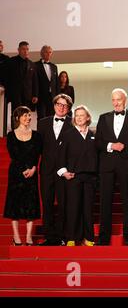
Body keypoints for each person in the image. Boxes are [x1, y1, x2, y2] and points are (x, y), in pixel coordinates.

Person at [95, 88, 128, 245]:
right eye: (114, 100)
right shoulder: (103, 118)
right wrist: (111, 145)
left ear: (125, 100)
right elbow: (98, 142)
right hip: (107, 166)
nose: (116, 103)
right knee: (105, 201)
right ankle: (104, 238)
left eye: (119, 100)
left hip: (127, 166)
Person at [57, 105, 97, 247]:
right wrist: (64, 172)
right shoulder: (68, 134)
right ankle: (71, 238)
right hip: (73, 177)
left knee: (88, 209)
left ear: (87, 118)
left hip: (90, 178)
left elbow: (97, 156)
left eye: (82, 115)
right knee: (73, 208)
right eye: (77, 115)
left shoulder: (93, 135)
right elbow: (60, 156)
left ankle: (89, 238)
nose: (79, 118)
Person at [37, 94, 73, 246]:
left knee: (64, 204)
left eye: (65, 105)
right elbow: (38, 147)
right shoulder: (42, 123)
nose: (61, 107)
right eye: (59, 104)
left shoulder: (73, 123)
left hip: (64, 171)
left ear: (69, 108)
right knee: (47, 203)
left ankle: (62, 236)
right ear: (54, 105)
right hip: (46, 170)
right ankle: (49, 236)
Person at [3, 106, 42, 246]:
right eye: (25, 116)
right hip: (16, 174)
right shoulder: (11, 135)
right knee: (15, 204)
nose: (28, 118)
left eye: (29, 115)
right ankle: (16, 236)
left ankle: (29, 237)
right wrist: (23, 170)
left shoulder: (37, 136)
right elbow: (14, 155)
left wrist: (33, 168)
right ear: (18, 118)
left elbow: (37, 154)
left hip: (32, 173)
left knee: (31, 204)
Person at [5, 41, 38, 121]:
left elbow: (34, 81)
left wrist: (35, 95)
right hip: (15, 94)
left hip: (28, 95)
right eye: (23, 49)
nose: (25, 51)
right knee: (16, 114)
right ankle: (15, 132)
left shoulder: (32, 64)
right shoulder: (11, 62)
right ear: (18, 50)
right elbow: (6, 77)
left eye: (27, 49)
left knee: (26, 115)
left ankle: (24, 132)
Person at [35, 45, 59, 120]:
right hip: (41, 96)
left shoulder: (54, 66)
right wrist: (35, 95)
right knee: (41, 116)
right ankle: (41, 132)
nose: (48, 54)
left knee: (52, 116)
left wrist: (58, 97)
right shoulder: (35, 65)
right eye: (46, 52)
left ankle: (50, 132)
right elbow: (34, 81)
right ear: (41, 53)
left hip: (52, 97)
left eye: (50, 52)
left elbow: (56, 83)